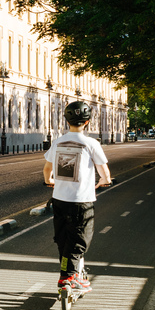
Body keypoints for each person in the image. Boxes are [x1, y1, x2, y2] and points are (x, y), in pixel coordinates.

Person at [43, 101, 111, 294]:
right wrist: (105, 181)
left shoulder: (58, 142)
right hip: (81, 201)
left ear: (66, 120)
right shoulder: (91, 143)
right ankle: (69, 277)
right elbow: (103, 169)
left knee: (63, 239)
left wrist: (49, 180)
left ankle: (67, 274)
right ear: (87, 122)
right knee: (80, 240)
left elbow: (47, 168)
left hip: (59, 200)